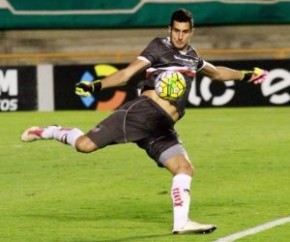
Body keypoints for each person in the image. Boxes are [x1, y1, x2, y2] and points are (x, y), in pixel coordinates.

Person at [21, 9, 268, 234]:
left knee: (184, 168)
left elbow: (218, 73)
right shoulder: (158, 48)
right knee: (85, 145)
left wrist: (248, 75)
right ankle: (51, 131)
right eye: (176, 31)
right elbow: (126, 74)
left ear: (191, 32)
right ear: (170, 30)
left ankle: (181, 223)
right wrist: (96, 85)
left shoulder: (193, 58)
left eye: (185, 32)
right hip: (142, 113)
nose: (180, 36)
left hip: (162, 127)